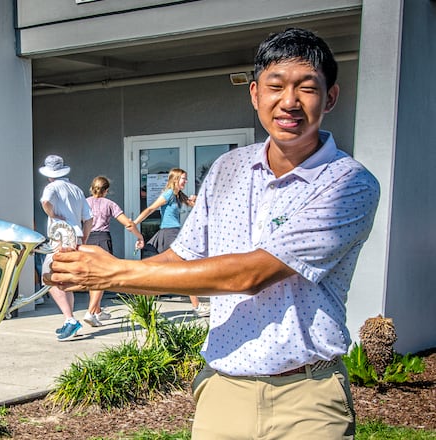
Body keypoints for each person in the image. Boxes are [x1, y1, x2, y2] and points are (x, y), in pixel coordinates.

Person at [47, 28, 380, 438]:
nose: (289, 102)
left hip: (307, 398)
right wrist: (101, 266)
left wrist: (113, 275)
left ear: (330, 97)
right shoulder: (227, 169)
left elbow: (250, 275)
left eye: (306, 88)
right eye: (276, 87)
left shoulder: (348, 183)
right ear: (255, 94)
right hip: (223, 388)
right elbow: (183, 257)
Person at [133, 168, 209, 318]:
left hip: (174, 232)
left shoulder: (178, 195)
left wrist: (196, 199)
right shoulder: (168, 194)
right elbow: (150, 208)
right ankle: (197, 306)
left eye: (186, 179)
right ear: (175, 179)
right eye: (183, 179)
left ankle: (145, 305)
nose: (185, 181)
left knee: (165, 270)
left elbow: (194, 205)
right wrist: (135, 222)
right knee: (184, 269)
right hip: (169, 233)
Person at [38, 154, 93, 341]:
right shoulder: (76, 189)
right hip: (75, 237)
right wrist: (84, 238)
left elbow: (45, 201)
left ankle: (70, 319)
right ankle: (69, 319)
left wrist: (53, 215)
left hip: (60, 237)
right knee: (64, 280)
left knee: (49, 277)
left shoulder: (52, 187)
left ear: (49, 173)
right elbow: (89, 219)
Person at [83, 175, 144, 327]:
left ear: (92, 188)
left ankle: (97, 311)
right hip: (103, 239)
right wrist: (139, 236)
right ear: (106, 190)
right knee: (102, 277)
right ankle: (90, 312)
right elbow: (128, 224)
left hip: (87, 239)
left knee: (93, 278)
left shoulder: (84, 202)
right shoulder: (109, 203)